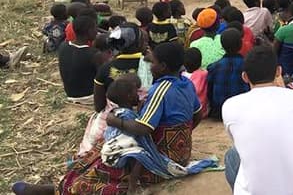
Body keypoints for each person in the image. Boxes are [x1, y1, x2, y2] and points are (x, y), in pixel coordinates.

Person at [14, 43, 204, 195]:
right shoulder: (185, 83)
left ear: (162, 67)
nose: (150, 65)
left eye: (152, 62)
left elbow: (143, 128)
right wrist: (182, 136)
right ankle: (60, 186)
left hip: (162, 157)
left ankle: (59, 189)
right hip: (182, 153)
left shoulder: (160, 90)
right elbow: (197, 114)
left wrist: (116, 122)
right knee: (105, 149)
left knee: (105, 163)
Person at [223, 46, 293, 195]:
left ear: (245, 77)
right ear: (278, 72)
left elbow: (238, 141)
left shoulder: (230, 106)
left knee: (232, 155)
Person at [94, 24, 145, 112]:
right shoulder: (151, 64)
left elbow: (99, 107)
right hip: (146, 118)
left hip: (114, 117)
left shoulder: (105, 68)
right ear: (139, 42)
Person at [57, 14, 104, 105]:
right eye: (95, 29)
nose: (97, 32)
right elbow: (104, 78)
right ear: (89, 31)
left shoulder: (63, 46)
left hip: (70, 94)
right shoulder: (94, 54)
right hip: (89, 96)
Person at [207, 29, 250, 119]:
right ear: (240, 44)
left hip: (220, 111)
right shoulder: (248, 66)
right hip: (243, 110)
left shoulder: (214, 67)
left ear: (222, 46)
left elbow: (209, 91)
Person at [182, 48, 209, 119]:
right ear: (200, 61)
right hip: (203, 111)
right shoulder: (205, 74)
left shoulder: (180, 76)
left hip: (185, 113)